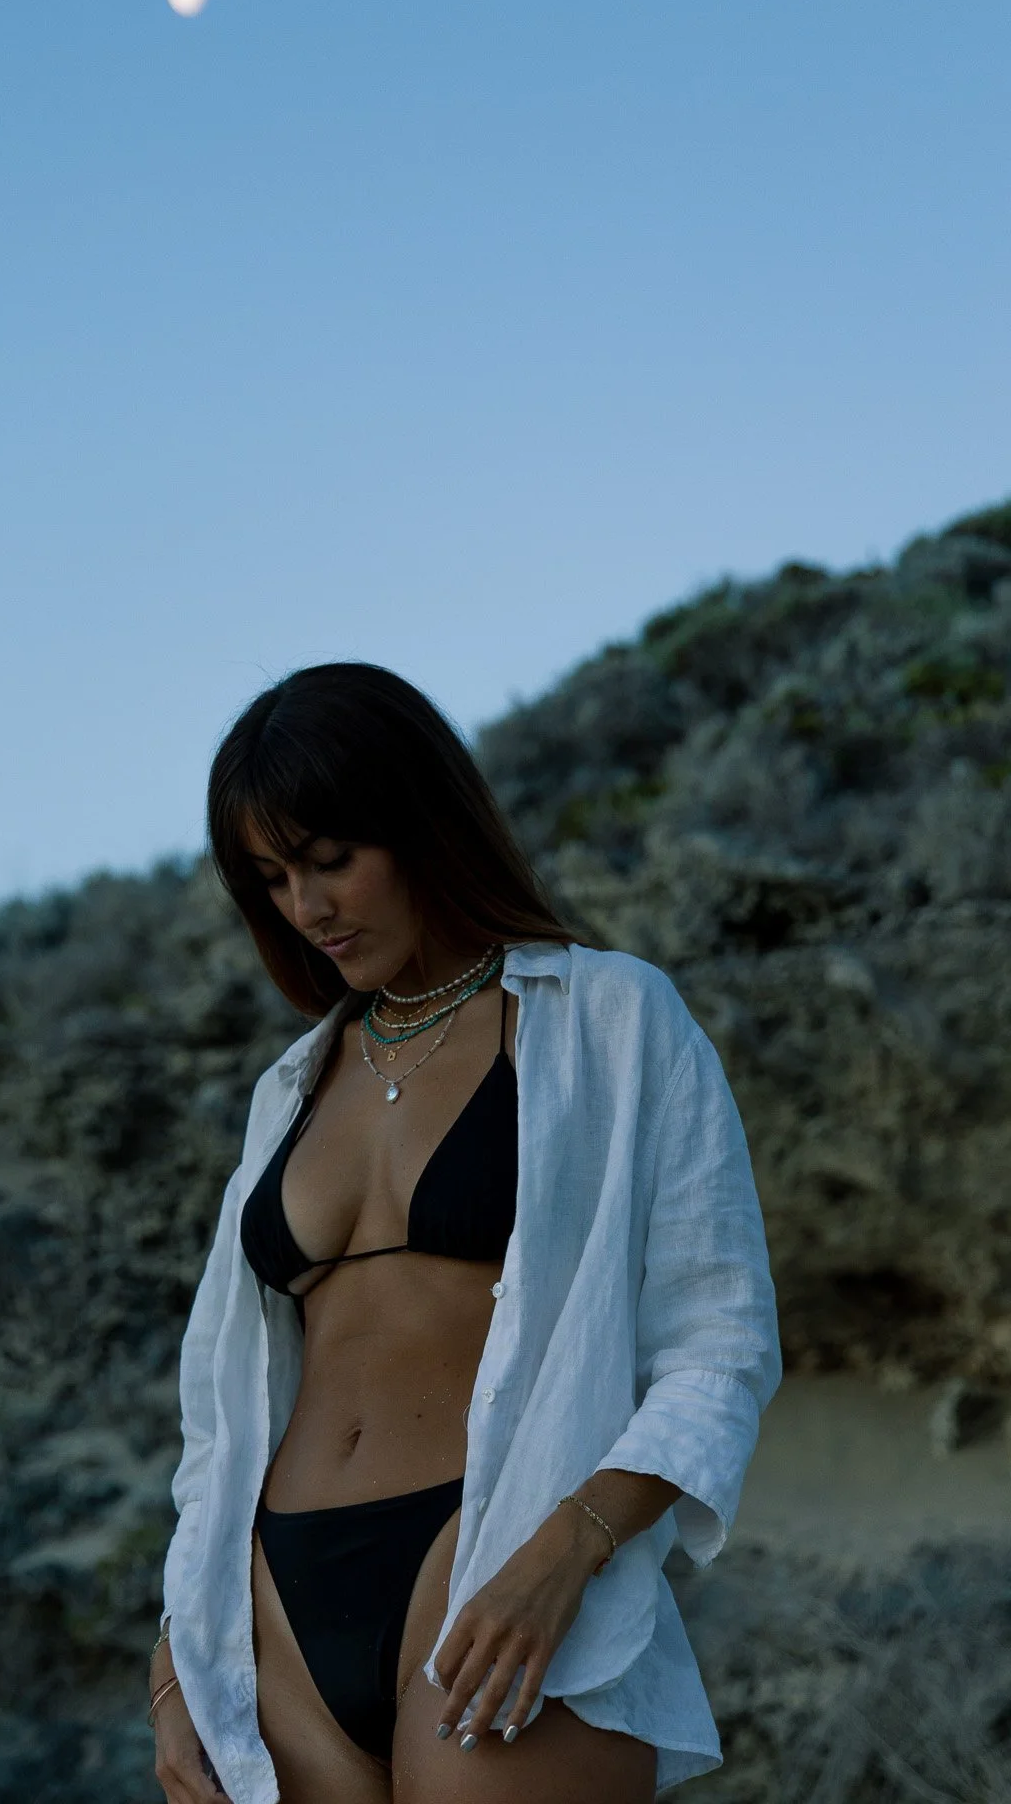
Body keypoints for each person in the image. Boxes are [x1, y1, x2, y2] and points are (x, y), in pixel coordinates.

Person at [149, 663, 781, 1804]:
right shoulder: (288, 1090)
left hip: (495, 1565)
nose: (307, 907)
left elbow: (719, 1342)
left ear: (420, 820)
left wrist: (570, 1549)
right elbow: (216, 1417)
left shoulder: (609, 1019)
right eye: (273, 877)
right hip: (274, 1611)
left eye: (331, 857)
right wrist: (176, 1649)